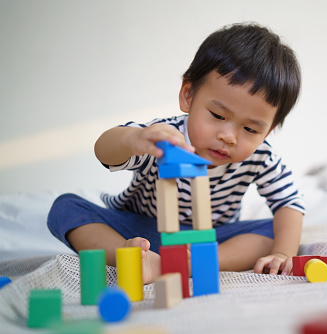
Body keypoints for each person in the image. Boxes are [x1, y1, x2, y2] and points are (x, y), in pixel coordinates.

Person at [47, 23, 305, 284]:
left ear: (268, 130)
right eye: (217, 115)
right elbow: (103, 151)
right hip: (144, 230)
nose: (229, 136)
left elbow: (289, 203)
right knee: (65, 208)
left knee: (280, 230)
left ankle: (196, 264)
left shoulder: (260, 156)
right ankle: (133, 260)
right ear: (188, 95)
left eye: (250, 128)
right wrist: (133, 139)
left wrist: (283, 253)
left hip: (209, 240)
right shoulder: (164, 138)